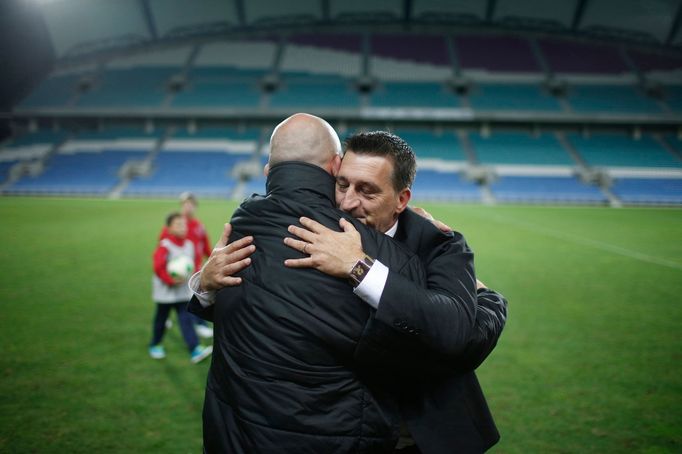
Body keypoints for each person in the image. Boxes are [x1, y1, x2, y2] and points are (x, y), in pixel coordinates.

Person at [192, 130, 507, 452]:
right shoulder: (316, 226)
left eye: (367, 191)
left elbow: (458, 338)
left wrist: (359, 266)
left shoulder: (438, 244)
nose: (348, 202)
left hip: (420, 429)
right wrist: (205, 284)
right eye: (343, 184)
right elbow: (269, 301)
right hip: (355, 427)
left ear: (401, 199)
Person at [149, 212, 212, 364]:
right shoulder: (165, 246)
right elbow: (157, 267)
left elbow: (194, 263)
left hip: (183, 292)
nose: (182, 228)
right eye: (178, 225)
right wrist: (169, 279)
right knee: (161, 319)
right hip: (165, 293)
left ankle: (195, 348)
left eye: (183, 225)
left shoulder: (189, 245)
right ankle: (155, 344)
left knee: (186, 319)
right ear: (169, 228)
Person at [160, 192, 213, 338]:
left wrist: (212, 260)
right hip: (177, 270)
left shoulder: (198, 226)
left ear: (195, 206)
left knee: (193, 296)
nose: (188, 207)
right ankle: (167, 319)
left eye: (191, 204)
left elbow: (205, 246)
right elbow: (162, 246)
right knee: (173, 296)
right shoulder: (173, 226)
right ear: (182, 206)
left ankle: (199, 324)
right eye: (185, 204)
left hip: (194, 269)